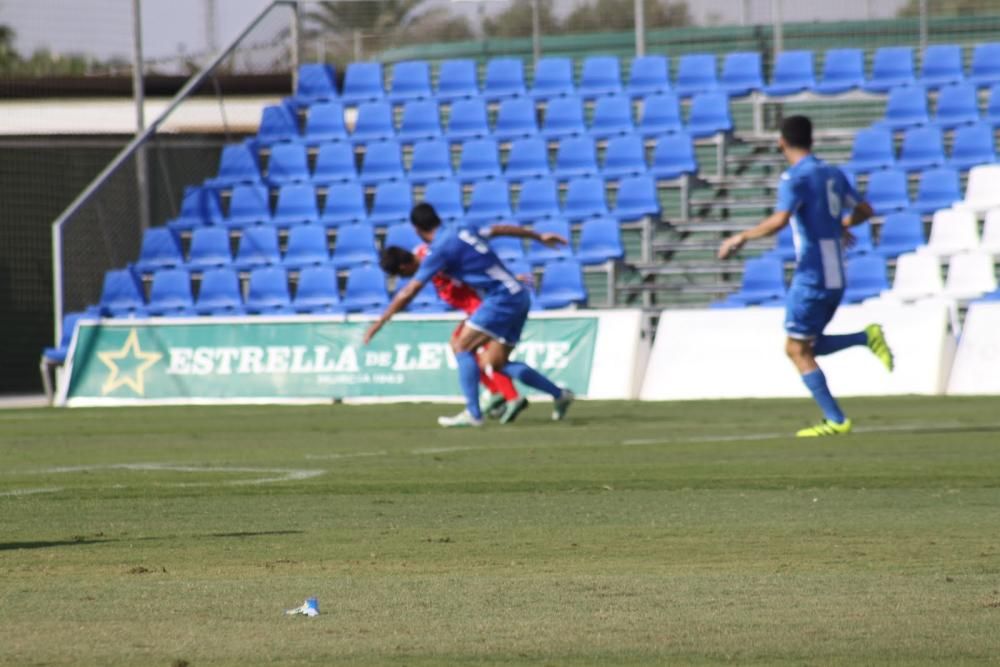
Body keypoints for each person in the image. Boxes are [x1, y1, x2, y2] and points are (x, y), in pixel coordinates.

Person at [717, 115, 894, 437]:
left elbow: (780, 219)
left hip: (811, 275)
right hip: (837, 274)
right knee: (807, 345)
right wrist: (840, 226)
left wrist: (740, 237)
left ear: (781, 142)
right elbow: (865, 210)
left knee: (796, 349)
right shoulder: (833, 173)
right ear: (811, 140)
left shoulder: (794, 178)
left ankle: (837, 420)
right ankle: (864, 338)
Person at [365, 203, 575, 428]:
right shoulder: (463, 228)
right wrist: (538, 236)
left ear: (417, 229)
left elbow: (410, 291)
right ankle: (559, 394)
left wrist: (380, 322)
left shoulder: (439, 250)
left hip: (500, 298)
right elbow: (500, 229)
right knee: (496, 362)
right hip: (516, 295)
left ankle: (474, 413)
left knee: (461, 346)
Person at [379, 243, 527, 424]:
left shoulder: (432, 258)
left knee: (479, 355)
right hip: (475, 307)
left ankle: (507, 397)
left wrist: (505, 281)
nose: (404, 277)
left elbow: (468, 266)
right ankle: (502, 394)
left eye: (401, 274)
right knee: (467, 350)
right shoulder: (424, 251)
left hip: (481, 308)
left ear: (402, 267)